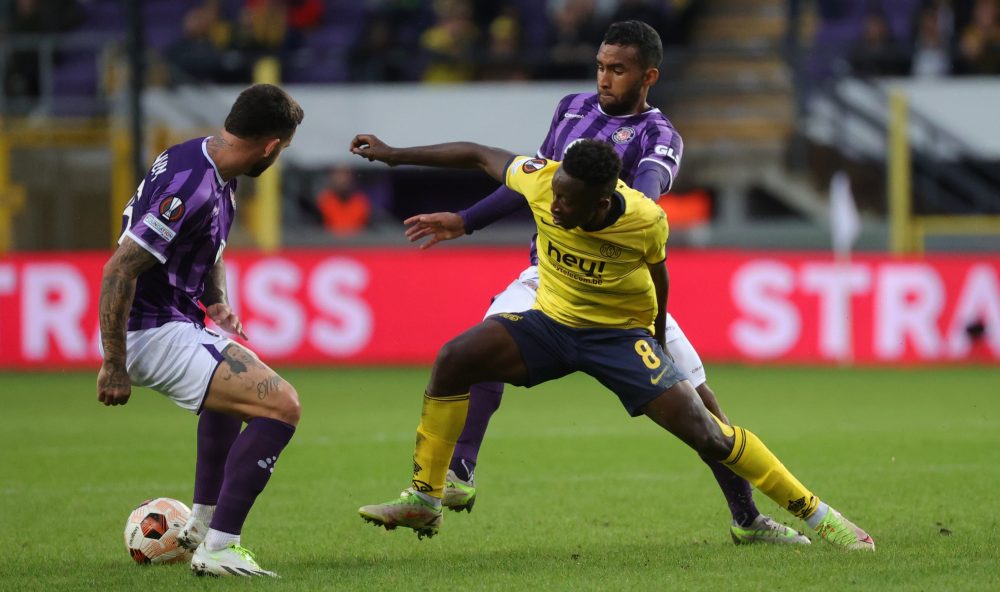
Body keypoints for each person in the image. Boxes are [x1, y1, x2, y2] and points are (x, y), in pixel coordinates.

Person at [349, 135, 875, 552]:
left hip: (619, 336)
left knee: (710, 435)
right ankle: (426, 496)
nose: (554, 208)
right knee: (454, 359)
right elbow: (477, 154)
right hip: (549, 322)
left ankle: (821, 518)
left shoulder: (646, 220)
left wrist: (659, 333)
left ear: (602, 202)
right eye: (555, 195)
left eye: (568, 202)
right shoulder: (545, 181)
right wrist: (396, 156)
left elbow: (660, 277)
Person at [399, 20, 806, 545]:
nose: (604, 78)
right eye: (600, 67)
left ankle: (746, 519)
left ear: (648, 75)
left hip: (621, 290)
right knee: (477, 348)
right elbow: (536, 178)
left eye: (618, 69)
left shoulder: (658, 136)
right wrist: (466, 219)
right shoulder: (571, 108)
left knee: (703, 409)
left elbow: (645, 200)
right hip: (550, 273)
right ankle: (460, 474)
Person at [97, 83, 305, 577]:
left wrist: (217, 301)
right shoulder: (190, 183)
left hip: (177, 320)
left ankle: (201, 530)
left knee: (234, 400)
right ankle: (220, 547)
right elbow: (120, 268)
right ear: (272, 145)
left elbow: (208, 249)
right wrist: (113, 363)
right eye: (284, 150)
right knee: (281, 405)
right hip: (149, 330)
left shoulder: (211, 167)